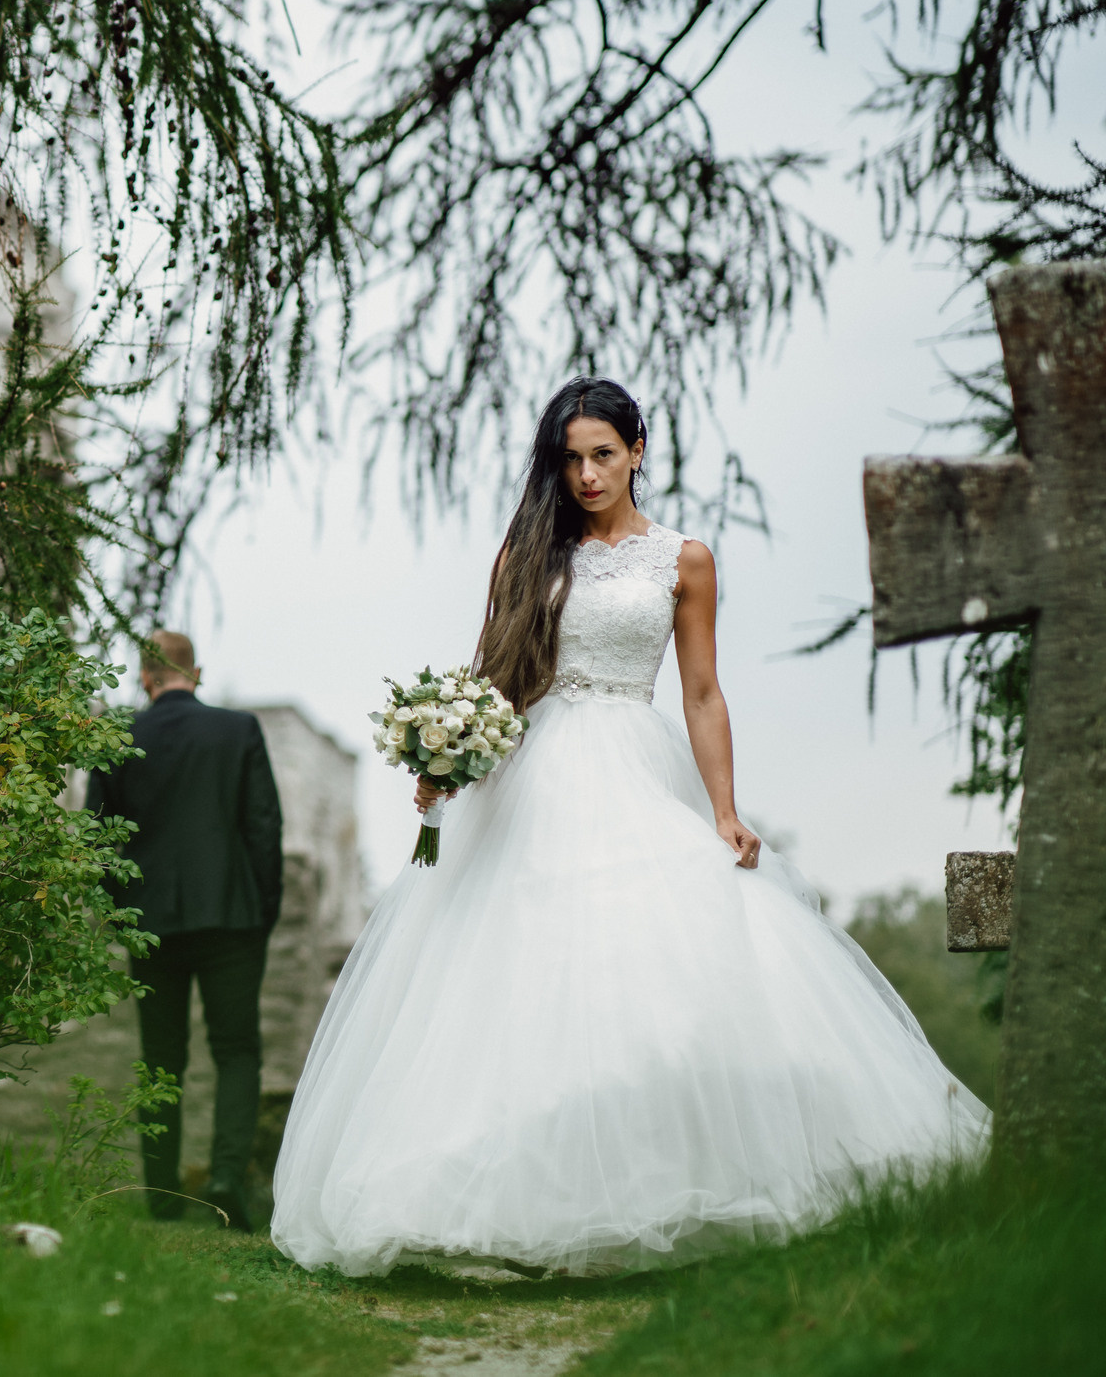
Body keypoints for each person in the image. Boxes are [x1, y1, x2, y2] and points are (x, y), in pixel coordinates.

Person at [270, 378, 988, 1277]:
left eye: (602, 453)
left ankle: (654, 1183)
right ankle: (485, 1200)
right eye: (570, 458)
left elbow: (700, 690)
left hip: (635, 761)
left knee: (661, 967)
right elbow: (492, 680)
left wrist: (724, 809)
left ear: (637, 450)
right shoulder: (526, 557)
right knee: (506, 978)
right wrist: (444, 759)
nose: (585, 474)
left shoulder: (683, 560)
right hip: (527, 775)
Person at [85, 630, 284, 1231]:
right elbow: (264, 830)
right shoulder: (238, 731)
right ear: (194, 673)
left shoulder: (119, 739)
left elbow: (99, 840)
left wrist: (123, 913)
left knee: (161, 1059)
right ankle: (227, 1181)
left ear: (145, 677)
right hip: (232, 916)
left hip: (152, 923)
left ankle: (161, 1193)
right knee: (237, 1050)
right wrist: (262, 912)